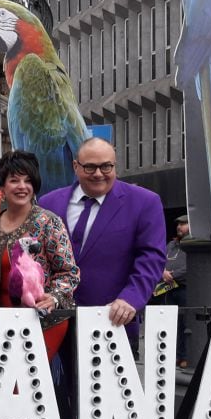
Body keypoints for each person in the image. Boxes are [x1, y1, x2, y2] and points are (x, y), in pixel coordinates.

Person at [38, 137, 166, 352]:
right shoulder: (48, 203)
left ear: (115, 165)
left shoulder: (144, 202)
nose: (99, 173)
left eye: (106, 166)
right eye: (90, 167)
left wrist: (130, 299)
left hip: (111, 321)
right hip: (53, 323)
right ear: (76, 167)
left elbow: (151, 258)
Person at [0, 151, 78, 360]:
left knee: (26, 383)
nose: (22, 186)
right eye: (14, 180)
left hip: (44, 320)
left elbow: (69, 272)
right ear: (2, 187)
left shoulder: (48, 222)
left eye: (28, 181)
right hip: (3, 321)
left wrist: (53, 297)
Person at [161, 214, 189, 368]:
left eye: (183, 223)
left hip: (185, 288)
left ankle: (184, 356)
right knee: (169, 322)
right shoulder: (171, 245)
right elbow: (159, 260)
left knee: (185, 324)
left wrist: (172, 275)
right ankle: (170, 355)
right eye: (178, 224)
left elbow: (192, 266)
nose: (179, 226)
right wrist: (162, 273)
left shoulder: (193, 243)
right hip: (168, 289)